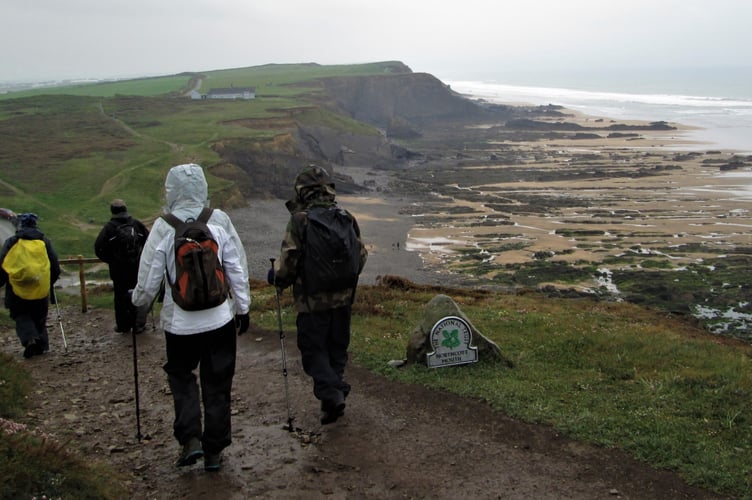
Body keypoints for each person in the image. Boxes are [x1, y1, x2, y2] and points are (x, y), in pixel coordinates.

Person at [130, 163, 250, 472]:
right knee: (218, 382)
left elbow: (149, 277)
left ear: (171, 191)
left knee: (182, 378)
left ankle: (190, 441)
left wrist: (138, 303)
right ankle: (214, 451)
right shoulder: (219, 220)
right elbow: (236, 266)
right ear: (203, 188)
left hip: (179, 324)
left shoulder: (163, 226)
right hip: (219, 320)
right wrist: (243, 307)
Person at [270, 165, 367, 425]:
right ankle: (331, 401)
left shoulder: (300, 220)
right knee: (336, 349)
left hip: (311, 302)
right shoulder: (346, 216)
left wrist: (276, 277)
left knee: (313, 352)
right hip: (344, 300)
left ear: (302, 192)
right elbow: (361, 257)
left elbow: (289, 260)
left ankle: (334, 393)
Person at [0, 213, 61, 358]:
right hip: (40, 286)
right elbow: (54, 265)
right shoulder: (44, 242)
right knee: (39, 315)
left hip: (17, 288)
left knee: (20, 314)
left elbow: (2, 263)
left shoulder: (11, 242)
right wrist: (50, 282)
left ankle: (30, 339)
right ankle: (42, 345)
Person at [94, 199, 150, 334]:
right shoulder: (136, 224)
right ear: (125, 209)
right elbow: (149, 241)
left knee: (120, 297)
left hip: (118, 270)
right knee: (138, 293)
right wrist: (141, 258)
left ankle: (123, 326)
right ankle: (139, 324)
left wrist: (111, 260)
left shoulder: (109, 227)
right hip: (137, 268)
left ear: (112, 211)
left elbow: (98, 248)